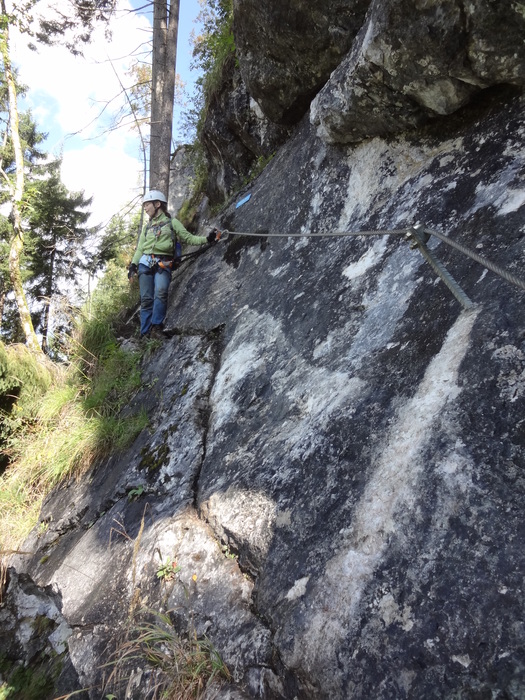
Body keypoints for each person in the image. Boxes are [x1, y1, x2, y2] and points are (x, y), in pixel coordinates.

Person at [128, 190, 218, 339]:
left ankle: (156, 327)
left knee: (161, 292)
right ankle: (145, 334)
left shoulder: (172, 223)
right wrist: (133, 265)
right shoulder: (147, 228)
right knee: (146, 299)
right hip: (145, 263)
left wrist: (207, 240)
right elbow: (140, 249)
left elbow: (188, 238)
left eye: (147, 205)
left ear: (158, 204)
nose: (145, 208)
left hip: (164, 262)